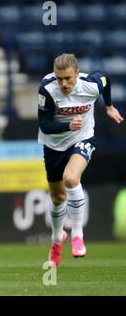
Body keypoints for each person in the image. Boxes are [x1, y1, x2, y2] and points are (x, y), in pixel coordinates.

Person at [38, 53, 124, 267]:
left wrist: (109, 106)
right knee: (57, 198)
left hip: (82, 138)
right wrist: (67, 125)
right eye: (60, 79)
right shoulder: (47, 89)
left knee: (71, 178)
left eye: (68, 78)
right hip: (54, 144)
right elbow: (45, 125)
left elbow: (105, 78)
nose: (64, 83)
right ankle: (57, 240)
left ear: (77, 73)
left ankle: (77, 234)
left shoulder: (90, 85)